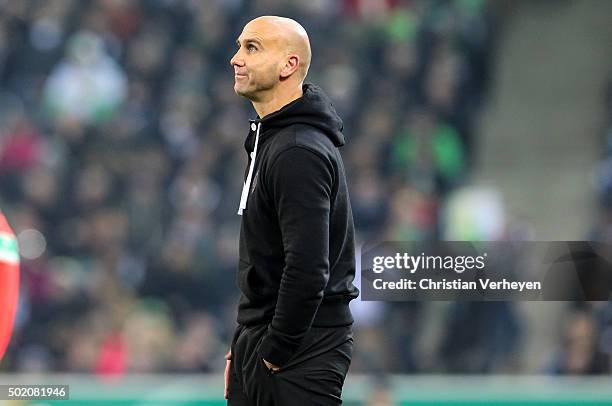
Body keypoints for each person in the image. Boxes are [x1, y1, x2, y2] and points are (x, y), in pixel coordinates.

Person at [225, 16, 359, 405]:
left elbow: (307, 267)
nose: (236, 59)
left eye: (252, 48)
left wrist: (273, 353)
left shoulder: (297, 150)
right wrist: (245, 341)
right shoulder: (274, 139)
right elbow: (268, 258)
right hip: (268, 340)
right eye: (239, 46)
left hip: (299, 350)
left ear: (289, 65)